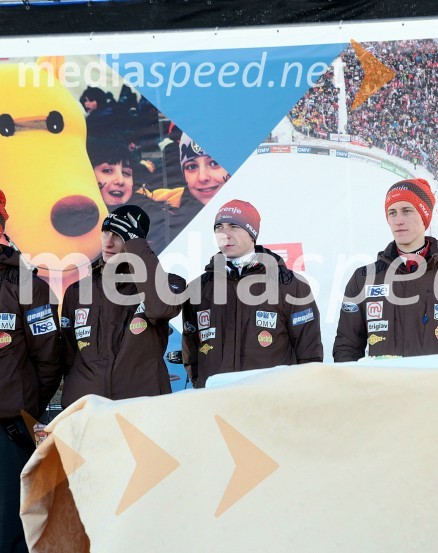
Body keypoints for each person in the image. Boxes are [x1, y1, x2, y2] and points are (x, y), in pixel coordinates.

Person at [333, 178, 438, 361]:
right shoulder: (363, 278)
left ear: (424, 216)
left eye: (407, 211)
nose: (398, 220)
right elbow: (347, 348)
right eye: (392, 213)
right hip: (382, 389)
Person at [181, 200, 323, 387]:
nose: (225, 234)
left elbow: (309, 353)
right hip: (215, 403)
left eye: (234, 226)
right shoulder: (198, 288)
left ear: (252, 234)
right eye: (219, 227)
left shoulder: (290, 285)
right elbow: (192, 354)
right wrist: (201, 384)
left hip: (270, 403)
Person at [61, 205, 186, 407]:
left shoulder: (171, 283)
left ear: (136, 242)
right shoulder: (77, 291)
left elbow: (162, 308)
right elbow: (68, 357)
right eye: (106, 233)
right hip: (88, 409)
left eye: (119, 236)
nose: (108, 243)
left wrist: (136, 247)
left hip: (141, 409)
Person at [0, 190, 61, 553]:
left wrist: (24, 408)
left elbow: (49, 359)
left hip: (8, 432)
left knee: (11, 533)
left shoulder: (26, 285)